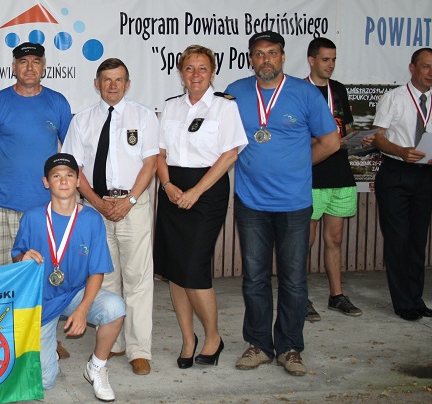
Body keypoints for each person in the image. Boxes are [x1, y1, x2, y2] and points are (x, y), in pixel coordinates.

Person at [225, 31, 339, 376]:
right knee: (255, 278)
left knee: (293, 280)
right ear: (250, 59)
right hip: (251, 202)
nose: (266, 60)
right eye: (259, 54)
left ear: (283, 57)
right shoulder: (235, 92)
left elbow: (331, 142)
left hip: (294, 203)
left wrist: (300, 164)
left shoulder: (305, 93)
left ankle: (290, 347)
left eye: (272, 53)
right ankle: (259, 344)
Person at [61, 58, 158, 376]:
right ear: (96, 84)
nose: (112, 85)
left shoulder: (144, 115)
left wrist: (129, 200)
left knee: (138, 279)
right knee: (105, 276)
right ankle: (113, 342)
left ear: (128, 84)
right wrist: (95, 202)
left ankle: (139, 350)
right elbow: (74, 168)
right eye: (106, 79)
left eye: (118, 80)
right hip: (95, 208)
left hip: (133, 204)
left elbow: (150, 163)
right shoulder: (82, 120)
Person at [155, 45, 247, 369]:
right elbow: (159, 154)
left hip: (207, 192)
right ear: (181, 73)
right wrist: (167, 185)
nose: (196, 74)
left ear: (212, 73)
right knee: (175, 270)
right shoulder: (170, 107)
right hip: (171, 190)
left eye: (202, 68)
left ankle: (213, 337)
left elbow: (230, 154)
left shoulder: (225, 107)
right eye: (189, 68)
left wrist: (195, 191)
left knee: (193, 269)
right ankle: (188, 338)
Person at [0, 41, 72, 358]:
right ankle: (1, 338)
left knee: (45, 274)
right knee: (2, 272)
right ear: (14, 67)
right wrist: (11, 171)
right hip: (3, 202)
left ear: (43, 66)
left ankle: (45, 336)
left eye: (35, 61)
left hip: (45, 208)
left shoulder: (57, 102)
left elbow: (69, 151)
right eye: (23, 62)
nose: (29, 67)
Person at [12, 153, 125, 401]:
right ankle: (48, 348)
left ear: (78, 181)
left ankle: (96, 367)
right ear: (46, 182)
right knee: (44, 382)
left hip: (74, 294)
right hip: (41, 300)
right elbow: (17, 256)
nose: (63, 181)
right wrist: (22, 258)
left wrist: (83, 309)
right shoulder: (32, 217)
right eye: (56, 176)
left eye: (69, 175)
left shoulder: (92, 219)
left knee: (115, 307)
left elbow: (96, 271)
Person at [371, 47, 432, 321]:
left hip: (426, 175)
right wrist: (400, 151)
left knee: (418, 240)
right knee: (398, 240)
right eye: (426, 66)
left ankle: (416, 299)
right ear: (412, 68)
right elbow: (378, 137)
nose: (431, 73)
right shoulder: (393, 98)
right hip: (396, 172)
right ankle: (403, 302)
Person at [304, 37, 361, 322]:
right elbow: (296, 135)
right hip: (312, 174)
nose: (330, 65)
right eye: (325, 59)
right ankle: (299, 297)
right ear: (311, 60)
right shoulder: (299, 90)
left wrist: (357, 139)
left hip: (340, 172)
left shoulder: (338, 89)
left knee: (335, 238)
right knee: (306, 240)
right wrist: (326, 141)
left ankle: (336, 295)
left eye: (334, 59)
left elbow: (346, 128)